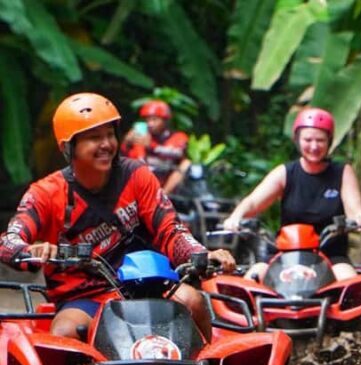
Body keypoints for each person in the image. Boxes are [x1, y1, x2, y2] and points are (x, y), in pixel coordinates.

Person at [0, 92, 236, 341]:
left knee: (193, 301)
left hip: (148, 286)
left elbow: (170, 229)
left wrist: (201, 254)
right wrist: (32, 251)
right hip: (87, 298)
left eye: (110, 134)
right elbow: (8, 242)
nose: (106, 144)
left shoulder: (137, 175)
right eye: (94, 137)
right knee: (64, 332)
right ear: (67, 147)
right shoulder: (45, 193)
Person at [222, 107, 361, 281]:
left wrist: (360, 217)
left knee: (349, 282)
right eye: (308, 139)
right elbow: (254, 202)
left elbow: (354, 208)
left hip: (330, 255)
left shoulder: (342, 172)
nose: (314, 146)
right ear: (297, 140)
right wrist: (236, 216)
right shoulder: (286, 172)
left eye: (320, 140)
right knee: (252, 278)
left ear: (329, 142)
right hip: (285, 253)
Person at [121, 100, 190, 194]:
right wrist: (126, 143)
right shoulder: (142, 136)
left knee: (186, 164)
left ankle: (162, 197)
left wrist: (152, 147)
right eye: (147, 120)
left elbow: (178, 153)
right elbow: (124, 156)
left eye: (154, 120)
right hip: (141, 178)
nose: (150, 124)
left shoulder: (178, 137)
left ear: (165, 120)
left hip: (165, 179)